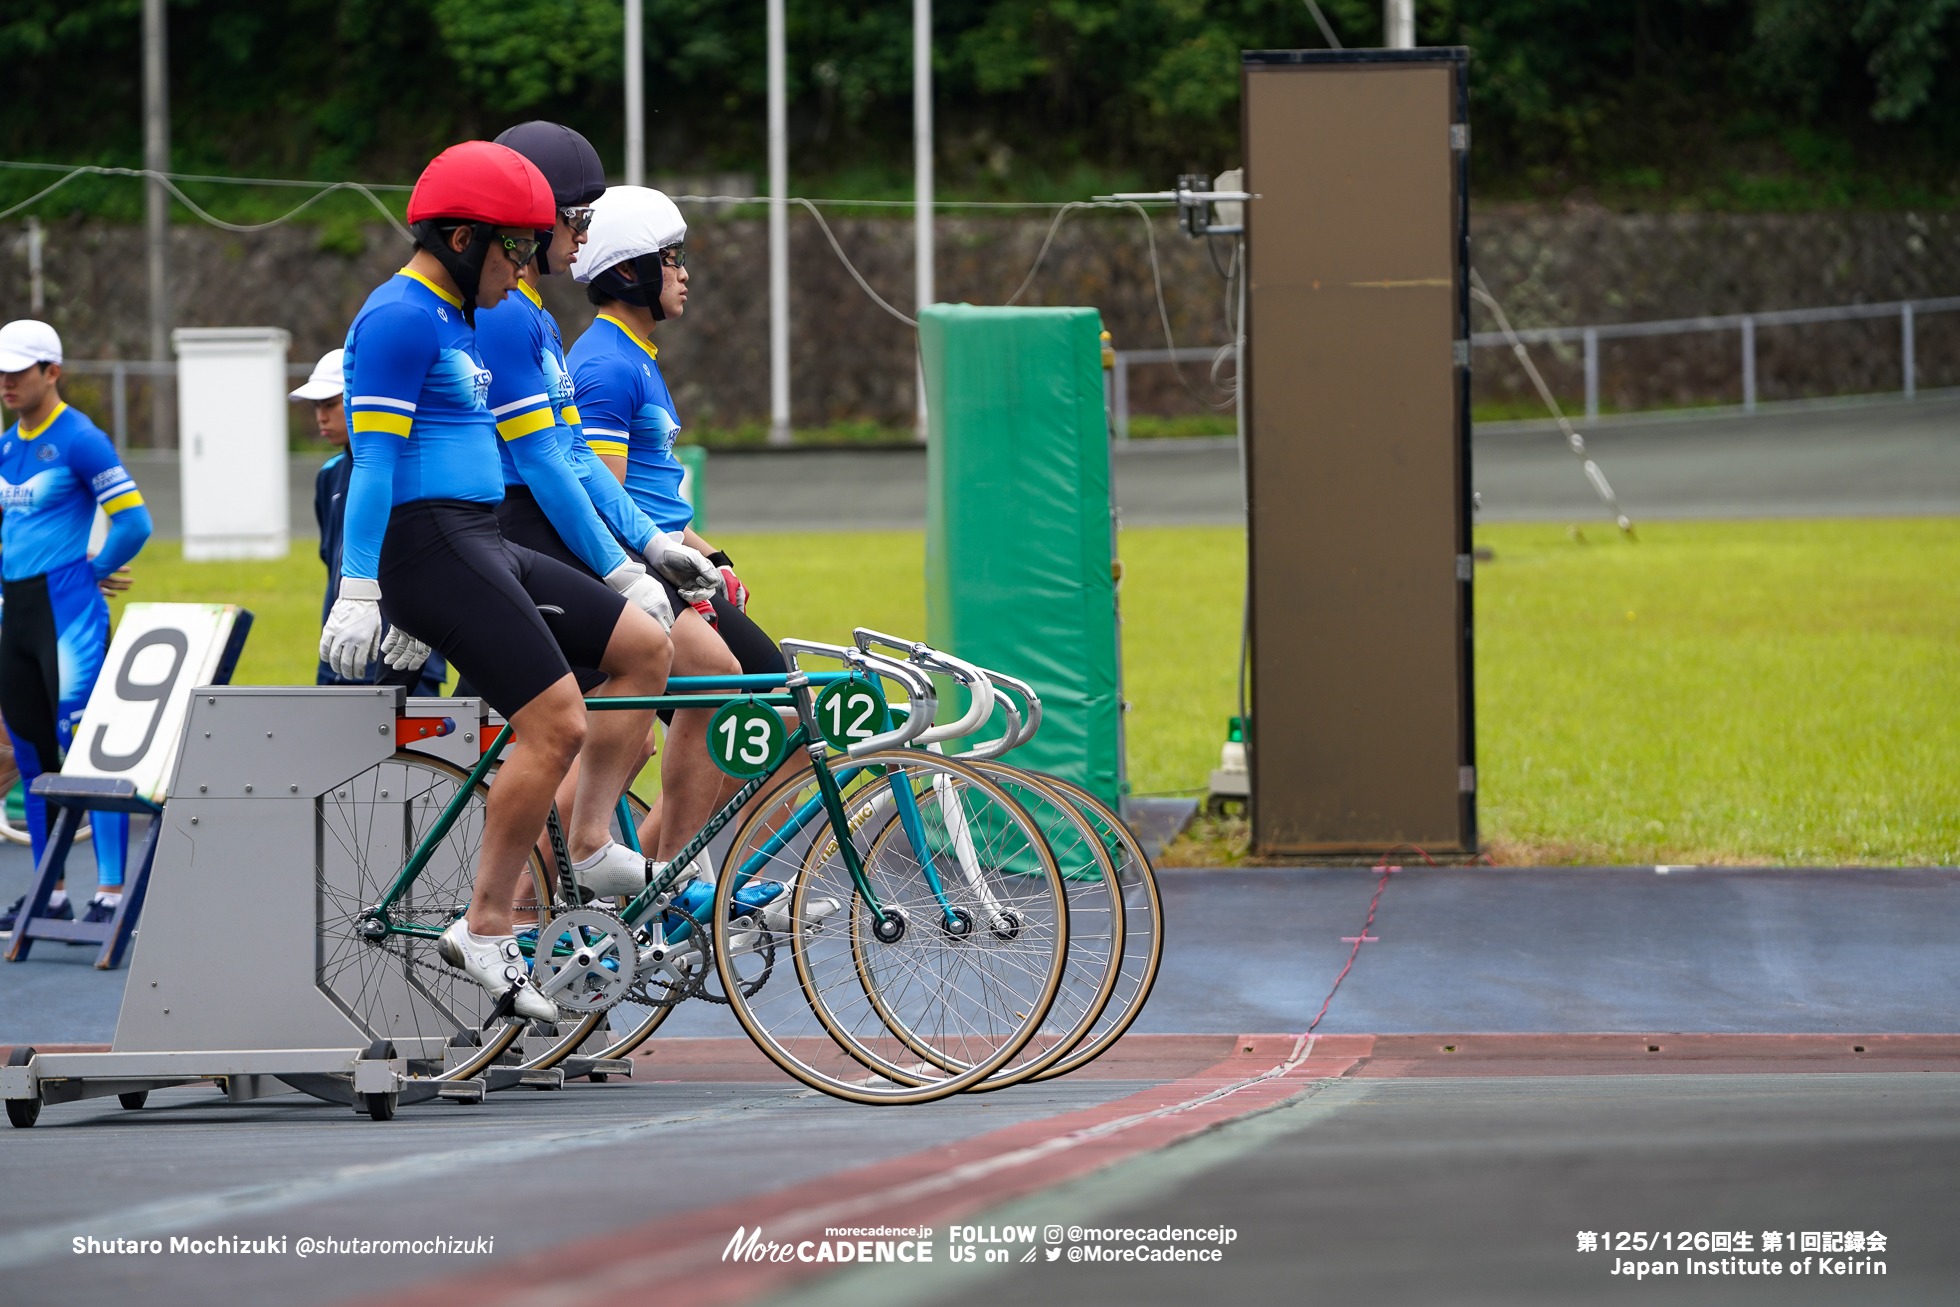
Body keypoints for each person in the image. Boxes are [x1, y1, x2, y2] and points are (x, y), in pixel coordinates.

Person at [322, 141, 674, 1019]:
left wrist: (629, 562)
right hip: (431, 542)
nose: (527, 264)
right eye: (515, 247)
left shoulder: (462, 317)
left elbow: (545, 448)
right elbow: (373, 463)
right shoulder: (402, 316)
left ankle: (588, 847)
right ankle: (484, 921)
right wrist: (360, 587)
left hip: (478, 535)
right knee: (556, 721)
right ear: (460, 236)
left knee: (643, 646)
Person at [475, 126, 730, 870]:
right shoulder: (523, 319)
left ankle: (649, 873)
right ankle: (567, 882)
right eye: (576, 219)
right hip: (521, 529)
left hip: (539, 528)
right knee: (579, 726)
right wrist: (629, 565)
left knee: (670, 703)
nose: (582, 238)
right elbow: (550, 466)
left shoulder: (536, 318)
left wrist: (656, 548)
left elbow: (572, 457)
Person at [568, 186, 786, 863]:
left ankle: (664, 880)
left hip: (673, 571)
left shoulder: (633, 356)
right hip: (645, 583)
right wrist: (673, 568)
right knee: (763, 713)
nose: (685, 271)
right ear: (630, 270)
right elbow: (606, 498)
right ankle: (668, 876)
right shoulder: (605, 365)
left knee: (769, 719)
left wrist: (708, 553)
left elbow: (653, 501)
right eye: (672, 258)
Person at [0, 319, 152, 934]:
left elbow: (134, 522)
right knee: (36, 760)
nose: (6, 381)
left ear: (52, 372)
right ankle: (50, 891)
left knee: (88, 758)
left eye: (19, 370)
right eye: (1, 371)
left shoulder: (81, 438)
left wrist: (93, 572)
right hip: (17, 619)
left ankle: (111, 891)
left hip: (69, 616)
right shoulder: (8, 443)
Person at [294, 349, 446, 696]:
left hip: (408, 657)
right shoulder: (329, 476)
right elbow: (332, 558)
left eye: (330, 404)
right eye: (315, 407)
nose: (321, 417)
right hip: (342, 652)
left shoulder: (412, 470)